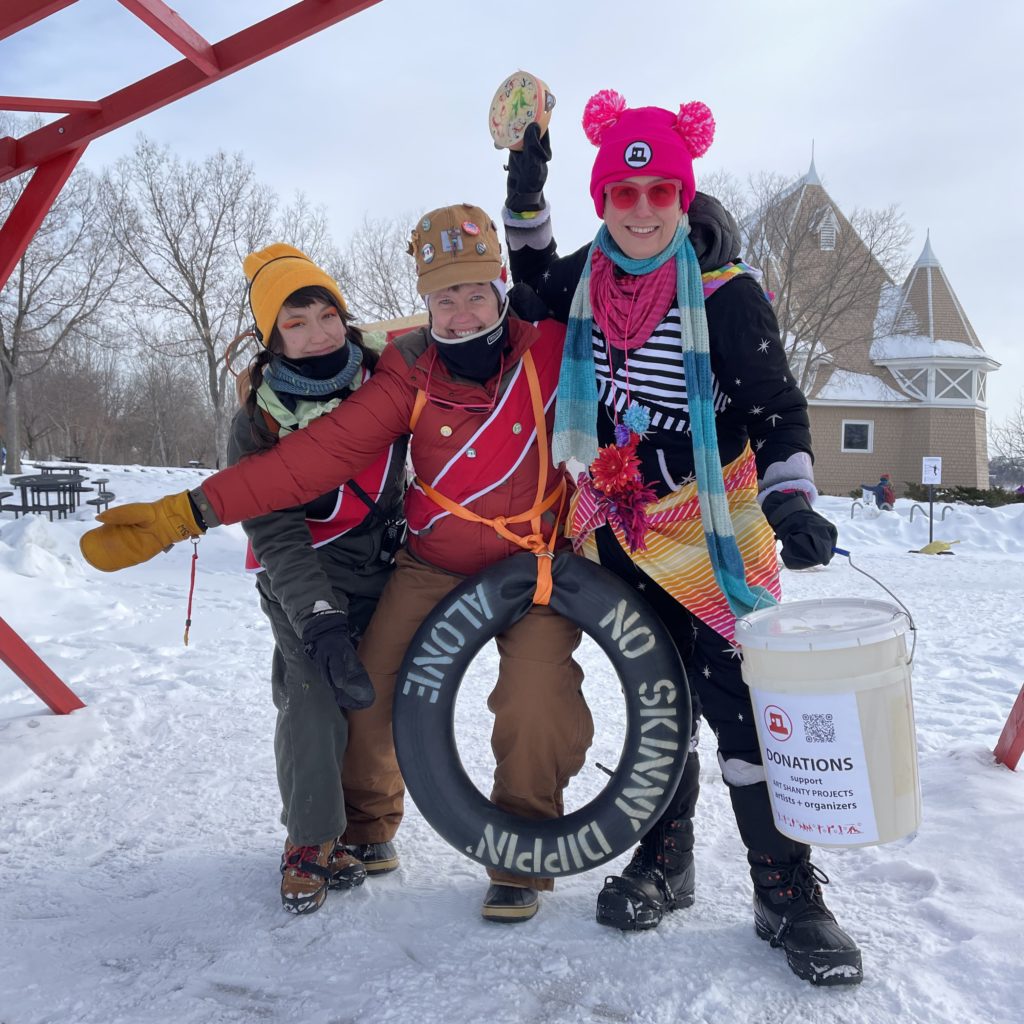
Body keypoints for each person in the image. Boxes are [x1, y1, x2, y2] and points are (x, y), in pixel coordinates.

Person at [79, 205, 591, 924]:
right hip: (428, 560)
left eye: (477, 289)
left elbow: (628, 305)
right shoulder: (406, 366)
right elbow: (307, 462)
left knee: (534, 700)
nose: (462, 307)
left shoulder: (550, 347)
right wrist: (184, 514)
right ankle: (364, 826)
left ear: (500, 282)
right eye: (445, 294)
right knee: (363, 691)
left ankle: (519, 855)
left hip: (532, 559)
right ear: (426, 301)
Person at [498, 90, 859, 985]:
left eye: (662, 191)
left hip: (713, 529)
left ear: (683, 193)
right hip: (620, 528)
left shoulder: (728, 296)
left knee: (739, 705)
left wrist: (793, 501)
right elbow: (535, 282)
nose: (644, 209)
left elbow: (774, 406)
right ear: (604, 203)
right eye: (625, 195)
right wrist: (525, 188)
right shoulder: (592, 276)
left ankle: (784, 886)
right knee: (659, 700)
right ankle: (666, 857)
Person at [229, 244, 408, 914]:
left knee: (381, 694)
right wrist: (320, 615)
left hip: (387, 563)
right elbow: (273, 529)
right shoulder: (258, 420)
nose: (316, 333)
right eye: (294, 322)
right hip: (303, 575)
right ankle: (310, 840)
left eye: (325, 313)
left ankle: (368, 827)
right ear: (272, 336)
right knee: (312, 690)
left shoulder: (388, 373)